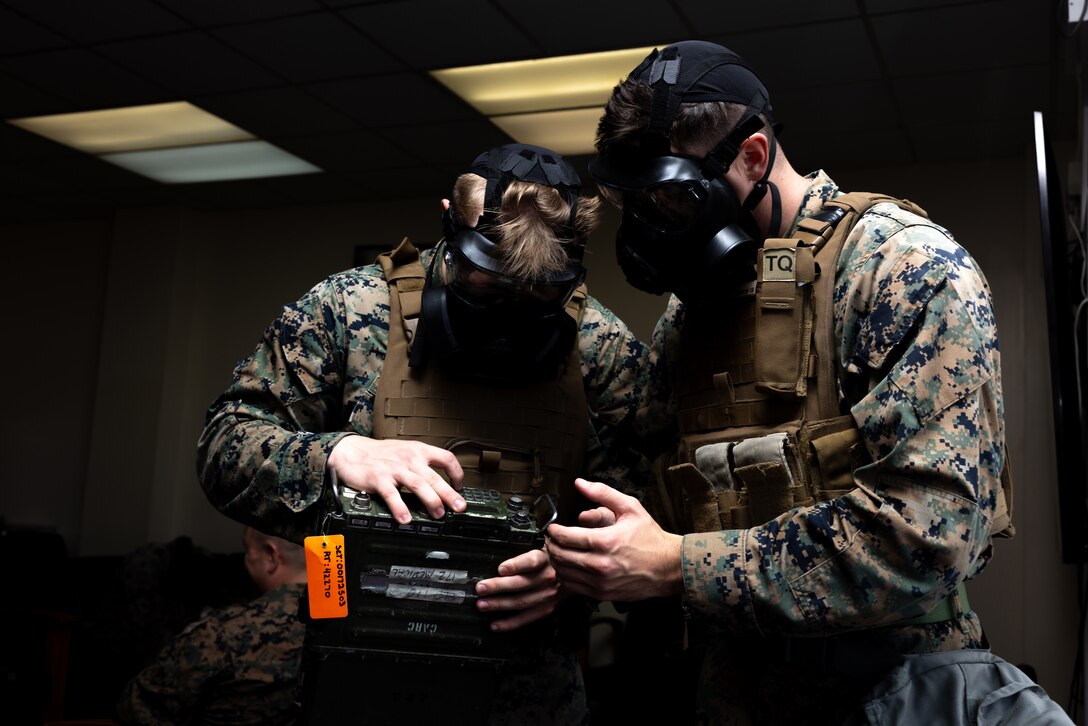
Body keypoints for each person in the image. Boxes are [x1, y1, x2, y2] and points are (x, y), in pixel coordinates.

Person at [545, 40, 1071, 725]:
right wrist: (575, 558)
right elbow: (654, 495)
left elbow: (921, 541)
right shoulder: (691, 311)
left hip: (883, 695)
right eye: (637, 206)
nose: (652, 229)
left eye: (671, 200)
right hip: (727, 695)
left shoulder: (900, 266)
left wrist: (680, 566)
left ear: (753, 157)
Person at [196, 143, 647, 724]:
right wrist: (337, 454)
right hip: (357, 672)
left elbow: (647, 507)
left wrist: (573, 574)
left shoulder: (599, 345)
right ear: (448, 222)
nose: (508, 310)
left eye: (536, 291)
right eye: (487, 282)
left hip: (526, 693)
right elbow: (223, 444)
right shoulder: (349, 310)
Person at [116, 527, 308, 726]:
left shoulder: (224, 633)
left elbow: (135, 708)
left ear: (271, 556)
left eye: (248, 550)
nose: (247, 560)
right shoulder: (338, 629)